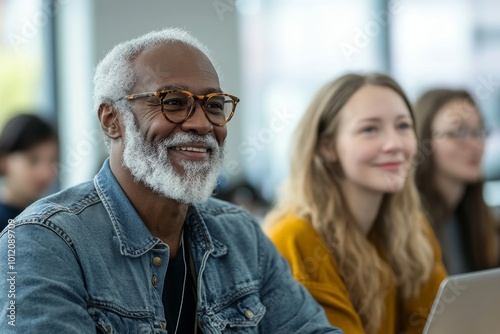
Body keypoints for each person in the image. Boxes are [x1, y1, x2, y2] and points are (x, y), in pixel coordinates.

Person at [0, 28, 342, 334]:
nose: (202, 124)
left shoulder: (241, 236)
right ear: (111, 119)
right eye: (174, 103)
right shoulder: (40, 241)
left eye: (214, 105)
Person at [265, 73, 447, 334]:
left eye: (403, 126)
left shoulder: (412, 228)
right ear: (328, 146)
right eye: (370, 129)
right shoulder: (295, 238)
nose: (394, 143)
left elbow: (440, 323)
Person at [414, 89, 500, 274]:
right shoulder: (411, 225)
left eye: (479, 131)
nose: (475, 144)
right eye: (458, 132)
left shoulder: (479, 217)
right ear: (424, 141)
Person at [0, 113, 58, 231]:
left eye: (53, 161)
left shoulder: (55, 219)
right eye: (33, 160)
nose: (45, 173)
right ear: (3, 160)